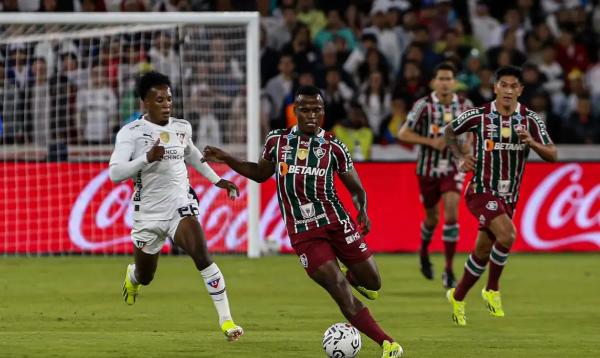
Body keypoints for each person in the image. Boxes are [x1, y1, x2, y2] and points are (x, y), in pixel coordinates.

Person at [202, 85, 403, 357]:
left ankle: (350, 274)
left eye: (316, 110)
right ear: (294, 112)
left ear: (323, 112)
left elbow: (356, 189)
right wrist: (226, 157)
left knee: (373, 282)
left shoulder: (334, 146)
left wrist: (362, 210)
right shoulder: (277, 141)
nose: (311, 115)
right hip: (304, 232)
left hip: (337, 222)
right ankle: (387, 343)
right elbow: (260, 174)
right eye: (305, 109)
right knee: (339, 289)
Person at [108, 71, 243, 341]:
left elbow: (191, 153)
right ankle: (133, 277)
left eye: (169, 98)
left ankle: (227, 321)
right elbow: (115, 173)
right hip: (147, 214)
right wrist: (145, 158)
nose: (166, 104)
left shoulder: (182, 127)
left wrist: (218, 181)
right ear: (145, 102)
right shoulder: (131, 133)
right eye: (159, 99)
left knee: (202, 255)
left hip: (180, 204)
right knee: (146, 275)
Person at [444, 66, 557, 326]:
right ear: (495, 87)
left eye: (513, 86)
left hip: (510, 197)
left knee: (482, 252)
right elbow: (450, 131)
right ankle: (492, 289)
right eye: (503, 85)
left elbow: (553, 154)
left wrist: (532, 143)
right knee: (508, 235)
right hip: (481, 191)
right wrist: (461, 156)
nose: (508, 90)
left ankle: (457, 296)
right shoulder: (479, 115)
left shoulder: (530, 120)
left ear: (520, 90)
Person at [398, 62, 473, 289]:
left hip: (452, 167)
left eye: (449, 78)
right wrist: (431, 141)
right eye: (441, 78)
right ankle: (423, 252)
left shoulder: (465, 105)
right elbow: (403, 133)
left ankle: (449, 270)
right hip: (427, 170)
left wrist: (465, 150)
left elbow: (472, 132)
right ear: (433, 82)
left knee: (451, 214)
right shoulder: (424, 106)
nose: (445, 83)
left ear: (454, 82)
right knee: (432, 218)